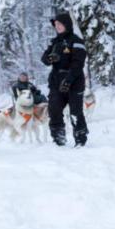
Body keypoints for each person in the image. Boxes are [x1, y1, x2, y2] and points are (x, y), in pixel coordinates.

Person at [41, 13, 88, 146]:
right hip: (56, 82)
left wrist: (68, 80)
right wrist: (50, 58)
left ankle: (80, 138)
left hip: (74, 82)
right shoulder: (54, 42)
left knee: (75, 111)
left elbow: (78, 63)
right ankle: (58, 137)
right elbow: (44, 58)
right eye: (56, 25)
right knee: (54, 109)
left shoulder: (76, 41)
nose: (58, 27)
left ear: (66, 24)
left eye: (60, 24)